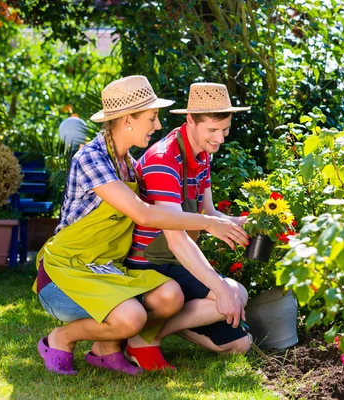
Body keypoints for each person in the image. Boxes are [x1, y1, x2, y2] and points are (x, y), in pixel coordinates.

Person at [33, 76, 248, 375]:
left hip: (107, 270)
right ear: (126, 120)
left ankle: (106, 349)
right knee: (132, 318)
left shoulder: (129, 165)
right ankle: (60, 338)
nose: (158, 125)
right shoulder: (91, 158)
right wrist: (208, 222)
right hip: (65, 274)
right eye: (151, 117)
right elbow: (145, 215)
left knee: (168, 297)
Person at [124, 82, 252, 369]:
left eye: (225, 129)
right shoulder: (163, 160)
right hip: (150, 263)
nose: (220, 138)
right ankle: (144, 339)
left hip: (178, 260)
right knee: (229, 293)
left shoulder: (202, 155)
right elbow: (176, 239)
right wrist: (219, 288)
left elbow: (208, 212)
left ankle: (156, 330)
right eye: (212, 130)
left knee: (239, 343)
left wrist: (244, 223)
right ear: (191, 120)